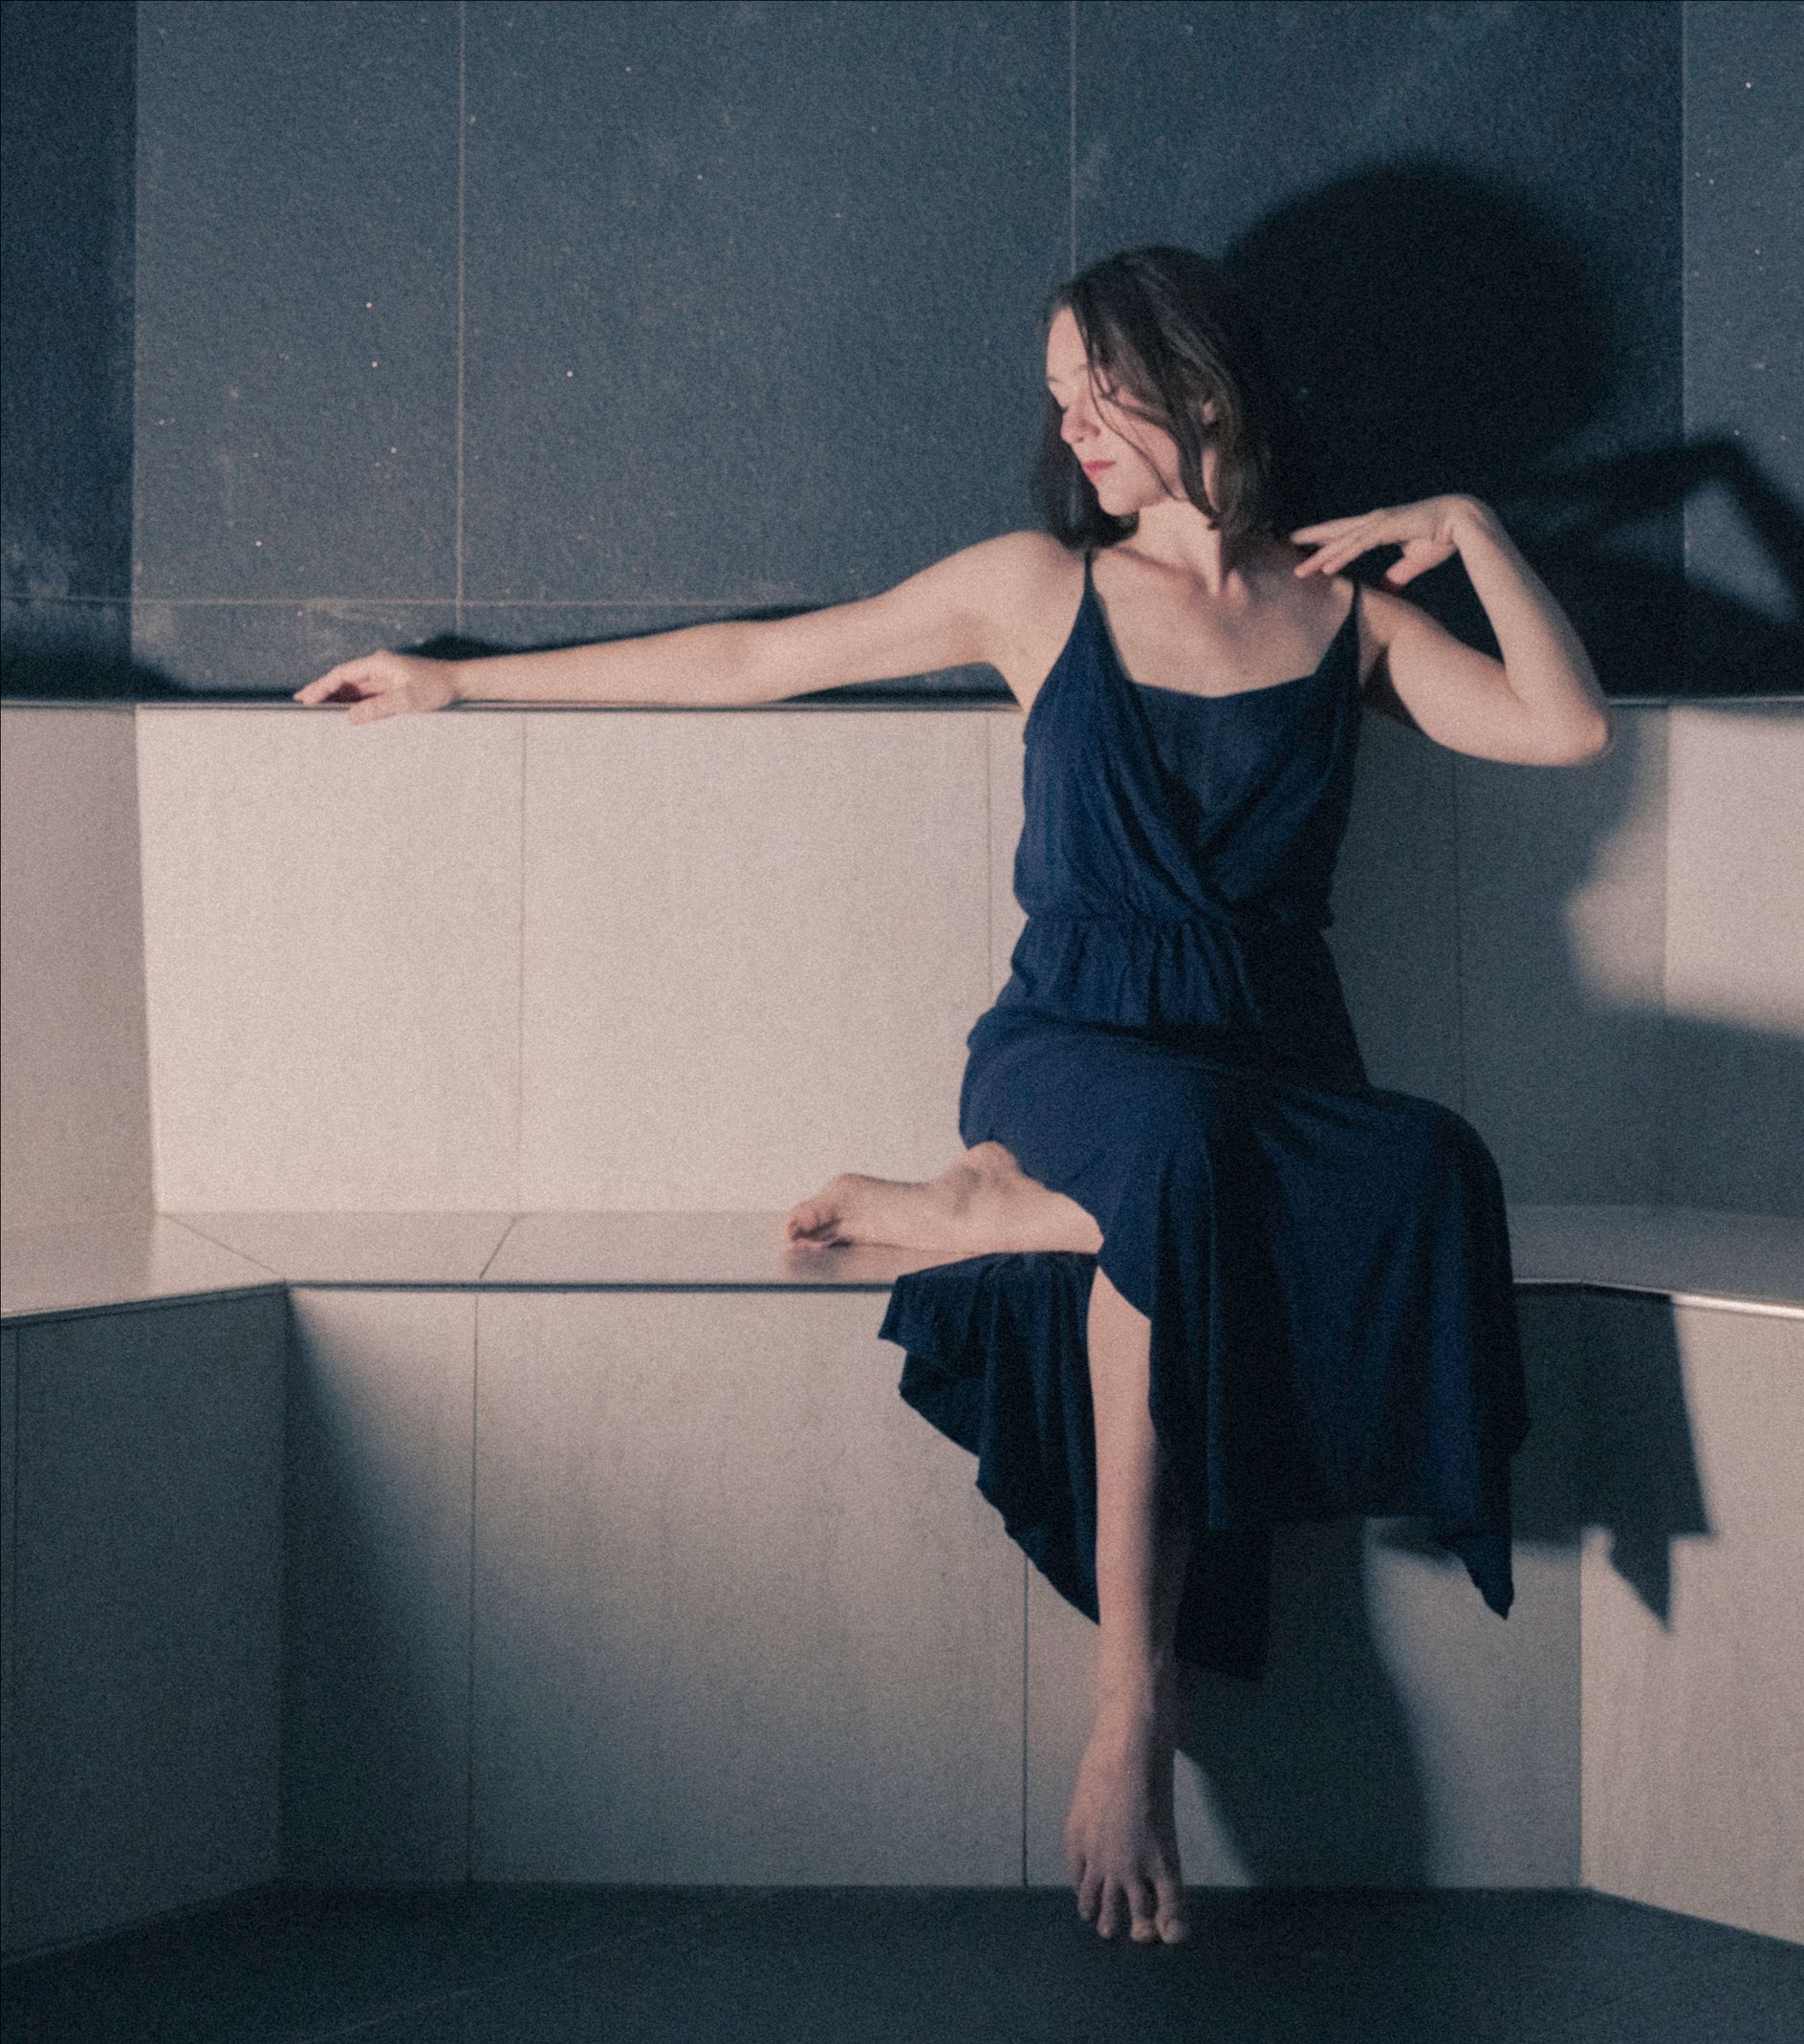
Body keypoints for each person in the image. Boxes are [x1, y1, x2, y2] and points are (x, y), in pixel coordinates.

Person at [295, 245, 1613, 1954]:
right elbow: (761, 658)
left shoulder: (1345, 616)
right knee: (1186, 1171)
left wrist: (1476, 530)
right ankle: (1130, 1707)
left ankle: (1000, 1207)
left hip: (1276, 1055)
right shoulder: (1034, 587)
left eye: (1099, 386)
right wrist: (459, 679)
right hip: (1074, 1042)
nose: (1073, 427)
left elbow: (1565, 731)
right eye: (1057, 397)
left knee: (1438, 1160)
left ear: (1200, 382)